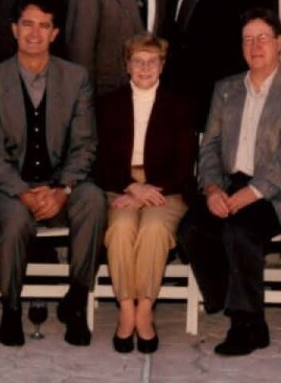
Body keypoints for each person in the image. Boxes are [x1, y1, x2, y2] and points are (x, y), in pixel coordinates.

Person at [177, 8, 281, 357]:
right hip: (229, 182)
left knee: (239, 231)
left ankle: (247, 322)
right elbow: (209, 146)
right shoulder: (226, 89)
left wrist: (253, 193)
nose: (255, 46)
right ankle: (229, 301)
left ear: (280, 43)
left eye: (263, 38)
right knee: (191, 230)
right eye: (248, 39)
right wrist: (212, 188)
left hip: (279, 190)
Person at [0, 0, 104, 348]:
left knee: (92, 199)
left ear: (55, 33)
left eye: (44, 25)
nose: (35, 33)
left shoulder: (75, 78)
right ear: (14, 30)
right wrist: (24, 193)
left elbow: (85, 145)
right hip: (11, 187)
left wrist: (62, 189)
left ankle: (76, 300)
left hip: (61, 182)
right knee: (15, 220)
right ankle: (11, 308)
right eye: (27, 24)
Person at [93, 33, 197, 354]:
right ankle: (126, 308)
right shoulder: (108, 104)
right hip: (120, 186)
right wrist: (132, 186)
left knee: (152, 228)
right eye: (137, 61)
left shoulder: (180, 105)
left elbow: (184, 165)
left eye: (152, 61)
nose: (145, 67)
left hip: (167, 189)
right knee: (122, 227)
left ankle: (145, 310)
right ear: (127, 65)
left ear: (162, 66)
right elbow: (99, 161)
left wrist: (146, 190)